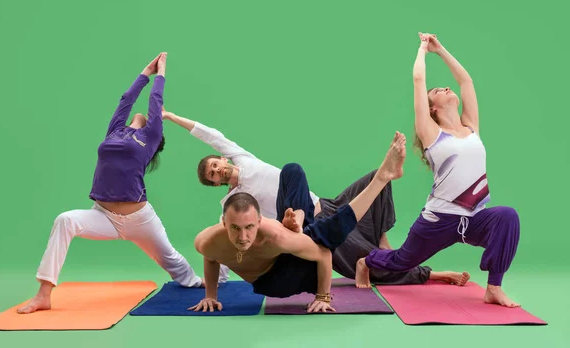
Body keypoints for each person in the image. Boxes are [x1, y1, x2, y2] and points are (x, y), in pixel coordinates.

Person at [164, 112, 468, 287]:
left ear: (222, 158)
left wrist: (169, 116)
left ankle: (383, 242)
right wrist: (216, 282)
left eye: (216, 164)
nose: (218, 170)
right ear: (216, 184)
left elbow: (210, 134)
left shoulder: (241, 157)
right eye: (213, 175)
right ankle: (434, 275)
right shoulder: (233, 203)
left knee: (376, 180)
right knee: (365, 262)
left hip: (326, 203)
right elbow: (229, 242)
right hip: (310, 224)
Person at [17, 53, 203, 314]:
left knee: (172, 260)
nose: (147, 115)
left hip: (139, 219)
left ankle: (197, 280)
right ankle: (44, 294)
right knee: (65, 220)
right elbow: (126, 100)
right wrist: (145, 73)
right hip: (104, 217)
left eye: (152, 118)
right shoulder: (115, 130)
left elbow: (155, 100)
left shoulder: (149, 137)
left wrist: (162, 74)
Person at [189, 132, 430, 314]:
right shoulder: (208, 239)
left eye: (249, 227)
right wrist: (211, 295)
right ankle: (378, 180)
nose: (243, 237)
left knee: (294, 174)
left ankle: (377, 180)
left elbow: (324, 254)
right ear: (224, 224)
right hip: (276, 283)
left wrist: (323, 297)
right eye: (235, 228)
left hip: (296, 247)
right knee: (321, 232)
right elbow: (211, 256)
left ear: (260, 220)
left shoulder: (274, 233)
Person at [363, 33, 521, 308]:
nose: (446, 88)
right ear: (431, 108)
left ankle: (494, 288)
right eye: (437, 91)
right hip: (439, 219)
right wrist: (423, 50)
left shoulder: (471, 127)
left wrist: (441, 50)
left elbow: (466, 81)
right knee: (401, 262)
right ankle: (366, 261)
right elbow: (418, 80)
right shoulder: (431, 133)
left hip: (475, 218)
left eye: (445, 87)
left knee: (507, 217)